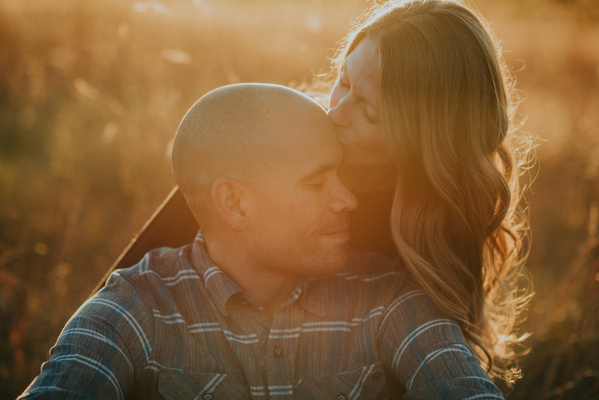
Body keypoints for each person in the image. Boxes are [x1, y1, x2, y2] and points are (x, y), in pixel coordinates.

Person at [94, 0, 532, 390]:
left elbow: (442, 359)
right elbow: (126, 303)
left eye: (369, 111)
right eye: (344, 81)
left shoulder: (443, 215)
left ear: (425, 140)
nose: (334, 110)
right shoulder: (273, 152)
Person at [19, 83, 505, 399]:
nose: (348, 199)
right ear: (234, 203)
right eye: (317, 183)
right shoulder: (135, 309)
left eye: (342, 173)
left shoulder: (388, 296)